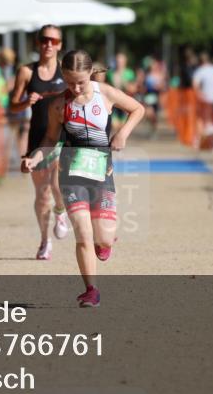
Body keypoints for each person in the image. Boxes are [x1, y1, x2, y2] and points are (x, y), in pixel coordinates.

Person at [22, 50, 144, 307]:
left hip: (101, 174)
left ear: (90, 73)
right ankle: (91, 290)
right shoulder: (58, 104)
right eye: (69, 82)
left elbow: (138, 109)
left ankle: (106, 242)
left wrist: (122, 134)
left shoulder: (106, 93)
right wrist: (34, 159)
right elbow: (49, 140)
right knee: (82, 233)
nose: (75, 88)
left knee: (103, 238)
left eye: (81, 82)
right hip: (71, 174)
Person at [9, 25, 71, 260]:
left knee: (57, 186)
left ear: (60, 45)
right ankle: (45, 241)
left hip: (61, 139)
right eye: (44, 40)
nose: (48, 45)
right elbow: (12, 106)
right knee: (41, 193)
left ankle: (61, 210)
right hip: (37, 138)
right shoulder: (26, 72)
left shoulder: (66, 72)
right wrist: (26, 102)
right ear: (38, 43)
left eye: (54, 41)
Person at [192, 52, 213, 149]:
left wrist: (200, 95)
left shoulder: (200, 71)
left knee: (203, 120)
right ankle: (212, 142)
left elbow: (195, 85)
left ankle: (203, 141)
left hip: (205, 100)